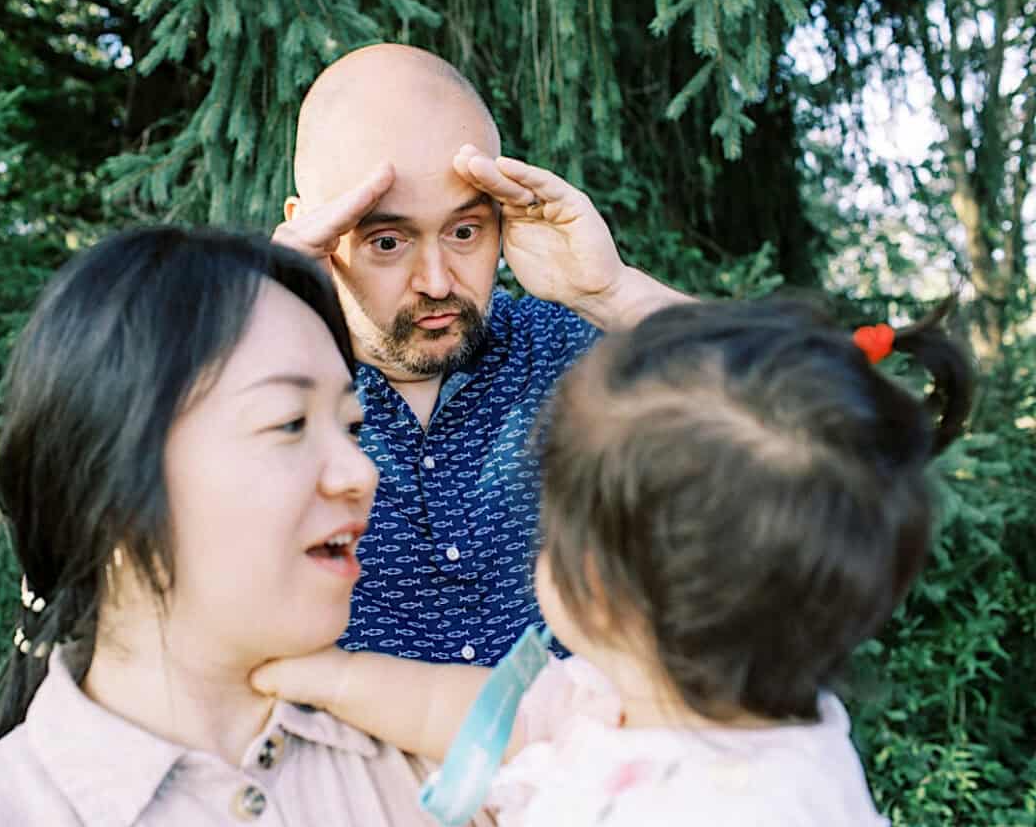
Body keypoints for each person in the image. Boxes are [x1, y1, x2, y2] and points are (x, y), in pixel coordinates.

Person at [253, 299, 973, 825]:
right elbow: (470, 711)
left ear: (593, 582)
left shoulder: (760, 805)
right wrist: (332, 676)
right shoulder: (622, 693)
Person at [0, 228, 468, 825]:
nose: (359, 472)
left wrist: (576, 293)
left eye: (350, 426)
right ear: (109, 488)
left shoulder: (455, 776)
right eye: (290, 422)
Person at [270, 43, 694, 665]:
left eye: (465, 231)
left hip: (585, 757)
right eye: (388, 241)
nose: (438, 280)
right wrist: (265, 302)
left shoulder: (573, 351)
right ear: (315, 231)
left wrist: (613, 292)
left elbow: (798, 425)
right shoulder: (267, 396)